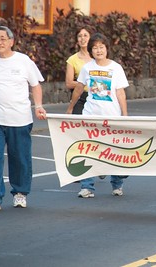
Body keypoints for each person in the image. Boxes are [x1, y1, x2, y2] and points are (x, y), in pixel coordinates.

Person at [0, 26, 46, 211]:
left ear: (11, 41)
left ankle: (20, 193)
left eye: (2, 39)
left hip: (20, 119)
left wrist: (38, 106)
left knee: (20, 158)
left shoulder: (24, 61)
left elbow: (36, 86)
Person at [66, 33, 129, 198]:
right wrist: (71, 107)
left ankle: (117, 184)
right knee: (88, 150)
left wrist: (125, 115)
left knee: (114, 151)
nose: (99, 50)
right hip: (90, 115)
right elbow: (79, 89)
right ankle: (87, 187)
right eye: (95, 47)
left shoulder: (116, 68)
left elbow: (120, 92)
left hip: (112, 116)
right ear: (91, 50)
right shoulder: (87, 68)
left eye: (102, 47)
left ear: (107, 49)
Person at [65, 27, 93, 115]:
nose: (82, 38)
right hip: (80, 97)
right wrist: (87, 82)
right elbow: (69, 83)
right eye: (80, 36)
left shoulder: (98, 57)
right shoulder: (72, 59)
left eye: (85, 35)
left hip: (97, 97)